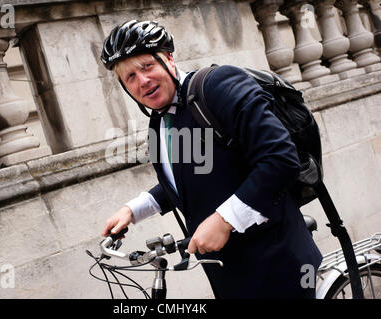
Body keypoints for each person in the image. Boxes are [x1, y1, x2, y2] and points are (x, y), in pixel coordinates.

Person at [100, 20, 323, 298]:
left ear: (169, 58)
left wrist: (224, 220)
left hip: (280, 266)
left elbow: (280, 158)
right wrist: (135, 209)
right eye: (130, 76)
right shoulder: (159, 122)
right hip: (228, 275)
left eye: (147, 66)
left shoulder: (217, 85)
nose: (142, 80)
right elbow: (192, 177)